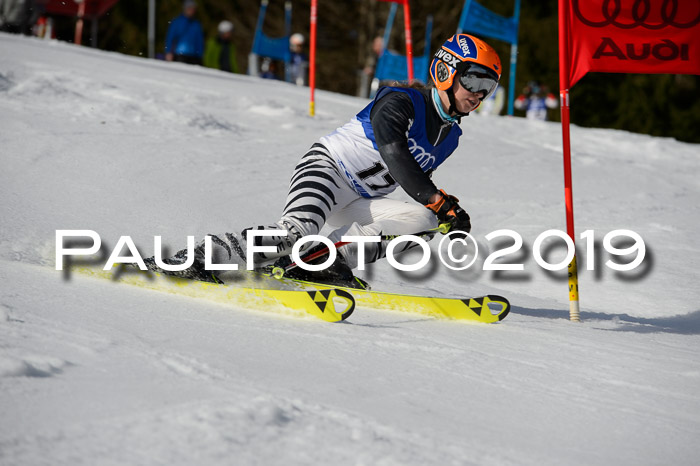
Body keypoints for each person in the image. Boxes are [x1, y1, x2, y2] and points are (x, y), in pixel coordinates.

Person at [147, 34, 502, 289]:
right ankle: (196, 257)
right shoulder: (401, 99)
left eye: (489, 87)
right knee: (295, 232)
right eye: (474, 79)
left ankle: (317, 263)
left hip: (361, 201)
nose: (479, 93)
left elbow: (413, 182)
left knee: (423, 223)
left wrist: (443, 211)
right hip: (329, 169)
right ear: (447, 70)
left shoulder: (450, 136)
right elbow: (394, 153)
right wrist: (437, 199)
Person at [164, 0, 204, 65]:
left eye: (193, 9)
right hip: (179, 54)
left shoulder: (196, 24)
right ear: (185, 9)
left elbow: (199, 41)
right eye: (190, 8)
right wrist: (168, 52)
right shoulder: (177, 22)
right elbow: (170, 37)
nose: (192, 11)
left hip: (193, 56)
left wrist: (200, 55)